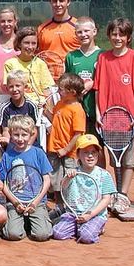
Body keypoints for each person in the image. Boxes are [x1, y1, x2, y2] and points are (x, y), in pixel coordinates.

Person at [93, 18, 134, 200]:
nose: (117, 38)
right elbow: (97, 88)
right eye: (114, 34)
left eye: (121, 35)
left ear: (128, 37)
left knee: (128, 161)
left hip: (129, 120)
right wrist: (98, 113)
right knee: (113, 160)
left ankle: (123, 194)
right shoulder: (103, 57)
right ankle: (115, 195)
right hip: (109, 120)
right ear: (109, 36)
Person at [52, 134, 115, 244]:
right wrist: (68, 177)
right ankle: (79, 228)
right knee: (58, 233)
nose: (90, 156)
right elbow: (64, 188)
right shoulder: (73, 173)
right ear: (78, 155)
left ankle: (95, 228)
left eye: (93, 152)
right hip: (73, 214)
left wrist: (91, 214)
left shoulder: (104, 175)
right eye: (86, 152)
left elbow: (106, 199)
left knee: (87, 237)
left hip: (95, 215)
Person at [0, 115, 52, 241]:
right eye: (16, 135)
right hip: (15, 202)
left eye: (24, 135)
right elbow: (3, 183)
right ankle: (22, 222)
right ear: (10, 134)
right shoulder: (7, 155)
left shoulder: (38, 153)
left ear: (31, 134)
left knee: (42, 235)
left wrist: (35, 202)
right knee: (12, 234)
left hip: (37, 203)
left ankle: (45, 219)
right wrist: (15, 202)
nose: (20, 139)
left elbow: (47, 180)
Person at [65, 16, 103, 166]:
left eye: (87, 31)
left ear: (94, 31)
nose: (83, 35)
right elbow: (67, 82)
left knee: (97, 149)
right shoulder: (71, 56)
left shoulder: (103, 55)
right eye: (79, 32)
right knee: (79, 149)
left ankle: (99, 182)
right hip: (76, 112)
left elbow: (106, 80)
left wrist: (92, 84)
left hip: (96, 111)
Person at [45, 73, 86, 209]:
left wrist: (66, 149)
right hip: (54, 150)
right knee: (55, 181)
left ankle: (71, 207)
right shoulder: (59, 104)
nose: (58, 91)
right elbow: (54, 121)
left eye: (61, 89)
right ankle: (59, 207)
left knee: (69, 181)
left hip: (69, 154)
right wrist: (45, 111)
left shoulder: (77, 109)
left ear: (72, 92)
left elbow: (78, 133)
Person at [3, 26, 54, 105]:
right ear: (19, 44)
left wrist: (46, 103)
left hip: (41, 105)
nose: (30, 47)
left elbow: (47, 89)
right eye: (26, 43)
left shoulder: (41, 63)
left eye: (33, 43)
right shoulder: (10, 63)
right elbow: (13, 90)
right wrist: (31, 102)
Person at [0, 70, 40, 148]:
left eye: (18, 86)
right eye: (11, 86)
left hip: (29, 142)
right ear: (7, 88)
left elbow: (34, 130)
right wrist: (8, 142)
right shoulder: (5, 108)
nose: (14, 89)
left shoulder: (31, 106)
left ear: (25, 87)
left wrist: (27, 146)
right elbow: (6, 130)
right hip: (12, 143)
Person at [37, 0, 81, 65]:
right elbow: (38, 55)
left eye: (61, 1)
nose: (58, 4)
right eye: (54, 1)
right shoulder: (42, 29)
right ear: (50, 2)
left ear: (68, 2)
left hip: (72, 76)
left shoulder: (79, 27)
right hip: (49, 75)